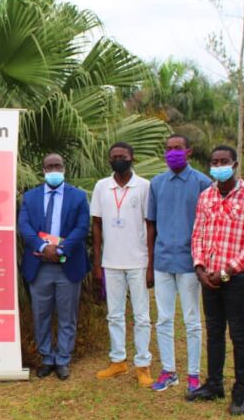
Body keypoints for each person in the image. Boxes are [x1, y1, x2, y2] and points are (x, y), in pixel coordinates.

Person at [188, 145, 244, 416]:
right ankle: (213, 384)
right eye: (214, 161)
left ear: (235, 163)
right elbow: (197, 235)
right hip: (208, 277)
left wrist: (227, 271)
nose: (219, 165)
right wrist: (199, 268)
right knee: (214, 332)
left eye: (224, 161)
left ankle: (241, 391)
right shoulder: (205, 196)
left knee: (239, 335)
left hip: (237, 278)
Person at [146, 134, 212, 393]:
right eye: (169, 149)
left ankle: (194, 374)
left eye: (178, 149)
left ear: (189, 151)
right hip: (162, 261)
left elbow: (208, 226)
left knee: (192, 320)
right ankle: (168, 370)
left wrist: (203, 261)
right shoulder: (157, 183)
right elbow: (150, 224)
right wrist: (150, 263)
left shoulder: (202, 183)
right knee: (163, 319)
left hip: (190, 263)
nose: (173, 153)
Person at [19, 153, 90, 381]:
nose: (53, 170)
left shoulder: (78, 197)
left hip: (68, 264)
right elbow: (24, 225)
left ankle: (63, 359)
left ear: (64, 168)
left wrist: (60, 249)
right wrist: (43, 246)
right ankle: (47, 358)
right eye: (49, 166)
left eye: (57, 166)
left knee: (67, 315)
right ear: (43, 170)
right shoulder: (30, 197)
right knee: (41, 315)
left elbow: (82, 227)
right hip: (39, 265)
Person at [91, 142, 154, 388]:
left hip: (138, 261)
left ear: (132, 158)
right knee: (114, 314)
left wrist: (150, 263)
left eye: (123, 156)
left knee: (141, 315)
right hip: (111, 262)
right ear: (109, 160)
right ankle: (118, 361)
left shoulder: (144, 187)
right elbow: (96, 224)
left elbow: (150, 225)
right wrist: (98, 262)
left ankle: (143, 365)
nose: (118, 159)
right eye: (114, 156)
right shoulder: (101, 186)